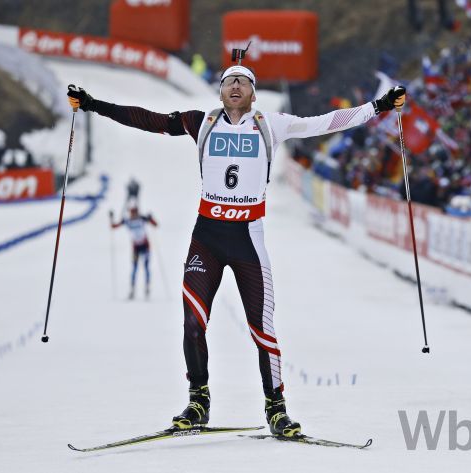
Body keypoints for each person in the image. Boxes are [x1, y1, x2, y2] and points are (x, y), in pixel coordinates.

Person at [67, 67, 406, 437]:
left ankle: (276, 409)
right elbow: (148, 120)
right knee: (193, 322)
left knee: (263, 329)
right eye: (229, 81)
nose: (235, 85)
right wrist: (92, 105)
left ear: (253, 94)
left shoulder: (270, 124)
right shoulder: (202, 123)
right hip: (208, 236)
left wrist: (381, 105)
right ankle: (198, 402)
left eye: (243, 82)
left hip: (248, 239)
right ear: (220, 92)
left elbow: (324, 123)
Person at [110, 205, 158, 299]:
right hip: (136, 248)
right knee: (134, 269)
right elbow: (114, 226)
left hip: (145, 246)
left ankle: (147, 288)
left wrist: (151, 218)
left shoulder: (142, 218)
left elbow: (155, 224)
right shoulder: (127, 221)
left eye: (135, 213)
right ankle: (132, 290)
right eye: (132, 213)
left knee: (146, 267)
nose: (133, 215)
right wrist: (111, 218)